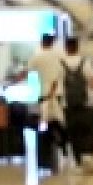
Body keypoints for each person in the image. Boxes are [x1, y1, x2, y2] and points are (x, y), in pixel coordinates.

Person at [58, 37, 93, 172]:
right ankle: (88, 156)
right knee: (87, 130)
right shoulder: (85, 63)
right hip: (86, 103)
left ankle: (78, 162)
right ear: (77, 47)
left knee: (73, 132)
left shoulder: (60, 64)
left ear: (66, 47)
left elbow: (57, 84)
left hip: (68, 104)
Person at [26, 33, 66, 166]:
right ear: (52, 43)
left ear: (42, 42)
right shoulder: (58, 58)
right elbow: (59, 76)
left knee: (44, 123)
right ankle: (62, 144)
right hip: (57, 95)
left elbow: (27, 71)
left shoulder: (37, 57)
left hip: (44, 95)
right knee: (58, 120)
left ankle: (47, 152)